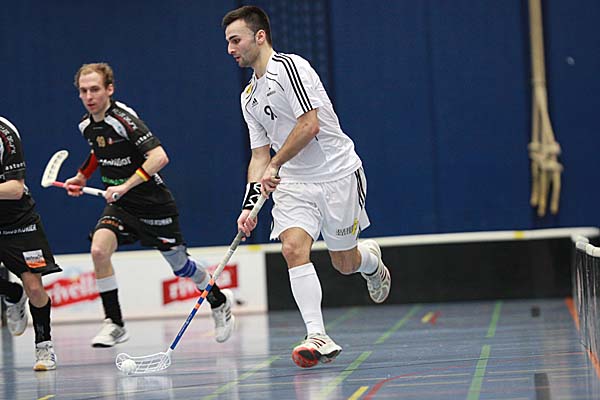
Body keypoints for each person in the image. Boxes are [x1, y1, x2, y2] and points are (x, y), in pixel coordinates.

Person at [222, 6, 392, 368]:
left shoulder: (290, 68)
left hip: (337, 174)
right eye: (228, 42)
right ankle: (317, 335)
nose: (230, 49)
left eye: (235, 40)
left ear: (260, 36)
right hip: (295, 183)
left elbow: (309, 125)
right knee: (292, 248)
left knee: (344, 263)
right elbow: (259, 156)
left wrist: (275, 164)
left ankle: (369, 261)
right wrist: (249, 205)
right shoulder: (248, 96)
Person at [64, 63, 234, 347]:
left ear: (109, 89)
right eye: (83, 91)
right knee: (98, 250)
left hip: (153, 204)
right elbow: (98, 150)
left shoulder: (124, 120)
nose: (89, 96)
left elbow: (159, 157)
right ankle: (115, 323)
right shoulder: (86, 125)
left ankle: (218, 300)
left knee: (181, 266)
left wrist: (124, 186)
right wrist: (82, 176)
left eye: (95, 89)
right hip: (121, 206)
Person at [0, 116, 62, 370]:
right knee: (22, 289)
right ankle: (12, 293)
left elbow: (15, 189)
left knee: (35, 288)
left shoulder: (5, 133)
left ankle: (44, 346)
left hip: (19, 222)